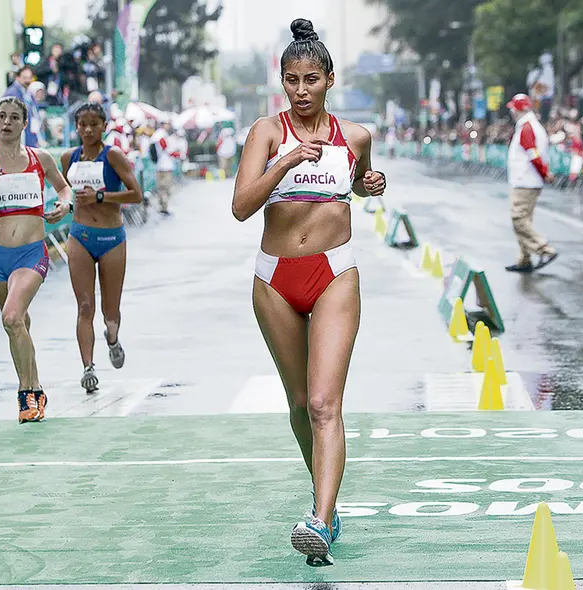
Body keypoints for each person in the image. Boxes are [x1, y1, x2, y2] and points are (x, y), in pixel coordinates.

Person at [231, 18, 386, 566]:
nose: (301, 91)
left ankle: (319, 519)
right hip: (274, 278)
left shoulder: (356, 136)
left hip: (334, 273)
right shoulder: (267, 134)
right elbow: (242, 206)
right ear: (283, 81)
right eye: (292, 80)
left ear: (329, 79)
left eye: (311, 80)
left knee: (324, 402)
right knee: (299, 404)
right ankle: (327, 501)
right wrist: (286, 162)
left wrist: (373, 185)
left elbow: (362, 182)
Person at [0, 97, 74, 423]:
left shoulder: (40, 159)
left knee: (11, 317)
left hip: (31, 251)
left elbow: (63, 188)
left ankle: (27, 393)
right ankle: (37, 389)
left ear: (24, 123)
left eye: (14, 117)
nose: (7, 123)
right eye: (2, 117)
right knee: (19, 324)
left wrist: (64, 205)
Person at [61, 103, 143, 393]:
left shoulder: (114, 156)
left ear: (104, 127)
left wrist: (101, 196)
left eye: (93, 124)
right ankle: (88, 368)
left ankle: (112, 337)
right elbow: (63, 194)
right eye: (82, 124)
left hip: (111, 238)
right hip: (80, 235)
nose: (87, 130)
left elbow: (136, 195)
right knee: (84, 307)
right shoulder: (68, 158)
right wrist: (61, 208)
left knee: (110, 312)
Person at [505, 93, 558, 273]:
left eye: (513, 107)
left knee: (518, 218)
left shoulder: (527, 127)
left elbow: (533, 154)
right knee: (524, 220)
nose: (511, 111)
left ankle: (544, 249)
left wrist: (544, 173)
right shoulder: (529, 125)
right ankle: (524, 258)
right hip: (526, 179)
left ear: (519, 109)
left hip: (525, 180)